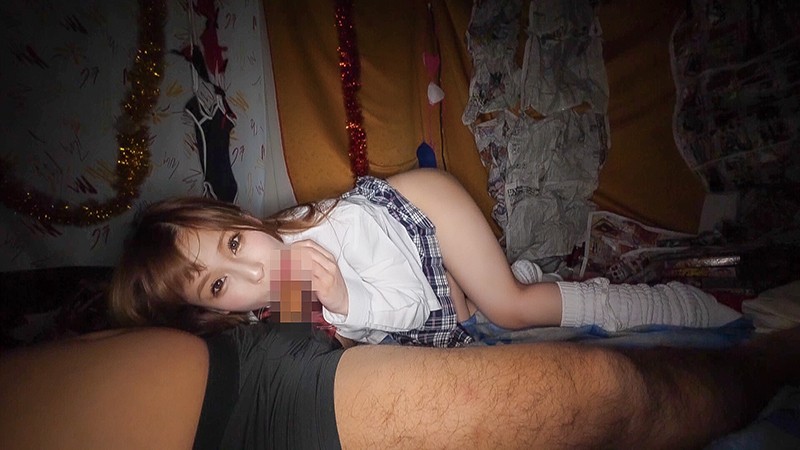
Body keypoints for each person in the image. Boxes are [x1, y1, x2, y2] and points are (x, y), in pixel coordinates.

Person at [109, 168, 740, 346]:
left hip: (424, 209)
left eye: (234, 245)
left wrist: (346, 299)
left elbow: (405, 305)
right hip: (411, 268)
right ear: (218, 312)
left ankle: (680, 305)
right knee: (469, 320)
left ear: (243, 221)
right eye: (219, 286)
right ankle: (506, 278)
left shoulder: (329, 232)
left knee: (510, 310)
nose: (252, 271)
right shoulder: (270, 303)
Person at [1, 322, 799, 449]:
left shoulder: (308, 246)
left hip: (260, 395)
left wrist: (294, 283)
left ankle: (772, 359)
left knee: (602, 387)